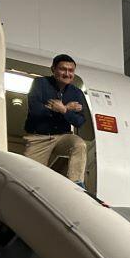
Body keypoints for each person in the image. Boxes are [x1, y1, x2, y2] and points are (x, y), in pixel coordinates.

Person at [23, 54, 88, 186]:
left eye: (71, 71)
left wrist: (63, 109)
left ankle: (76, 184)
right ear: (53, 69)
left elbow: (80, 121)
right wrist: (63, 109)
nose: (67, 73)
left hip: (62, 137)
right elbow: (35, 110)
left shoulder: (77, 93)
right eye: (63, 69)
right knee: (27, 176)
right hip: (38, 138)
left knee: (79, 144)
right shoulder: (40, 83)